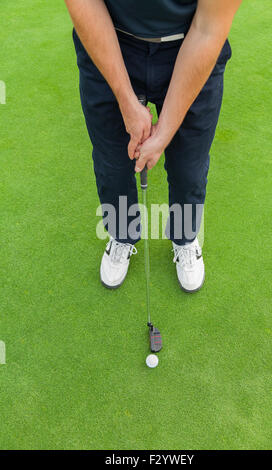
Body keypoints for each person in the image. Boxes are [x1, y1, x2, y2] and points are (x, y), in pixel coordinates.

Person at [65, 0, 242, 292]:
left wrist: (163, 135)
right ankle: (121, 234)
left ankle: (185, 238)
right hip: (110, 39)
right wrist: (125, 99)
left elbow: (209, 28)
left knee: (189, 164)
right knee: (112, 160)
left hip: (192, 40)